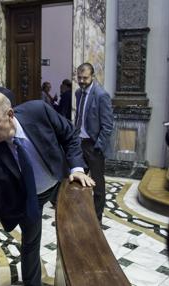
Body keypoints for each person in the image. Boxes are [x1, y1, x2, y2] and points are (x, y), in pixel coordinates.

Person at [0, 91, 95, 286]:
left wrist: (76, 167)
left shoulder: (39, 111)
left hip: (60, 181)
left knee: (75, 231)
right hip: (27, 195)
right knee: (30, 243)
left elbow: (70, 134)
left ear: (10, 115)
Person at [75, 62, 114, 223]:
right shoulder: (78, 93)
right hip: (80, 144)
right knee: (78, 182)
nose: (82, 81)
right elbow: (79, 117)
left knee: (97, 185)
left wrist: (98, 146)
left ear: (92, 77)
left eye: (85, 78)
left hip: (94, 146)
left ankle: (97, 220)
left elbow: (107, 125)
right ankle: (79, 214)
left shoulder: (101, 95)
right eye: (79, 77)